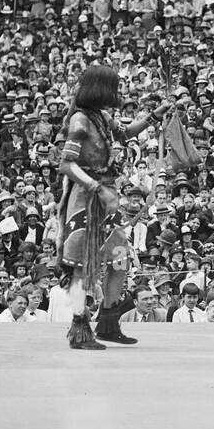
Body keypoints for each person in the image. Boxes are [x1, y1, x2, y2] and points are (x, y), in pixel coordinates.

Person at [56, 63, 172, 348]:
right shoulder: (80, 121)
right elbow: (66, 164)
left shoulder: (101, 117)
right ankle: (80, 327)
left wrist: (154, 116)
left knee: (120, 260)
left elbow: (126, 132)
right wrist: (96, 188)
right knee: (83, 267)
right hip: (86, 202)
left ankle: (108, 322)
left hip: (107, 200)